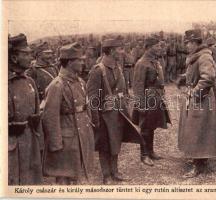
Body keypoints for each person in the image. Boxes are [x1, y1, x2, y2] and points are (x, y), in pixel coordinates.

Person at [87, 38, 141, 184]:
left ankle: (115, 171)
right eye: (119, 49)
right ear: (111, 51)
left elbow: (123, 89)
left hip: (118, 112)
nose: (122, 52)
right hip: (104, 115)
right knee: (104, 145)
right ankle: (106, 175)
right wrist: (95, 119)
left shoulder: (117, 67)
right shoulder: (98, 70)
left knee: (116, 141)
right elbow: (92, 97)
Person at [42, 42, 94, 185]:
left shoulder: (80, 82)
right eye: (79, 60)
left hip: (80, 134)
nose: (83, 62)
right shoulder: (57, 85)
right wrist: (56, 144)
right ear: (70, 62)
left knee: (77, 174)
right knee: (63, 177)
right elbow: (50, 118)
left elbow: (85, 108)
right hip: (66, 139)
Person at [177, 29, 216, 178]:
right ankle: (199, 159)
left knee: (198, 129)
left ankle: (199, 164)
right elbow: (197, 74)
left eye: (188, 43)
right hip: (197, 96)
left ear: (195, 43)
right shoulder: (196, 56)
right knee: (195, 129)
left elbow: (208, 78)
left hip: (201, 98)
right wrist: (184, 78)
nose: (186, 46)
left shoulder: (204, 57)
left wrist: (195, 92)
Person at [8, 33, 43, 185]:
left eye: (30, 53)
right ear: (14, 58)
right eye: (26, 54)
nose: (31, 58)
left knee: (32, 182)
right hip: (11, 147)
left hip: (31, 143)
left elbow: (36, 112)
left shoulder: (30, 82)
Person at [132, 35, 171, 167]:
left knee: (152, 125)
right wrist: (140, 105)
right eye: (156, 46)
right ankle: (144, 155)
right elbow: (137, 86)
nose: (159, 48)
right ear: (148, 48)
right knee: (145, 127)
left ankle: (151, 151)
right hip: (147, 98)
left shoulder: (154, 61)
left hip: (155, 97)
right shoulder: (142, 63)